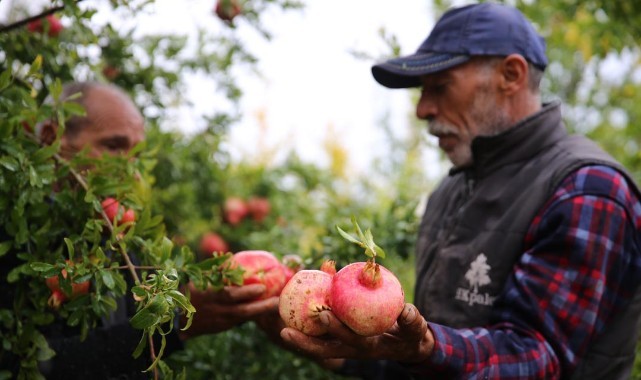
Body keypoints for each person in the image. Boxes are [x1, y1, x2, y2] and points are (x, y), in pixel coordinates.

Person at [279, 3, 641, 379]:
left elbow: (539, 356)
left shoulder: (589, 190)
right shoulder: (450, 191)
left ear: (511, 74)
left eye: (440, 86)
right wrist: (334, 345)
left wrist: (427, 346)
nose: (422, 109)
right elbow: (422, 356)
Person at [0, 81, 278, 378]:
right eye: (113, 146)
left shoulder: (126, 243)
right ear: (51, 139)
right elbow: (26, 367)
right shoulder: (13, 235)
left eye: (136, 154)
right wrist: (170, 326)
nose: (131, 169)